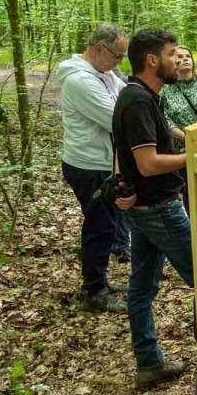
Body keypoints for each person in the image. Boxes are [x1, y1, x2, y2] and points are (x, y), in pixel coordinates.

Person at [112, 28, 196, 391]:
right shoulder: (138, 101)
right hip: (159, 211)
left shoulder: (141, 95)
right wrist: (193, 159)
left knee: (142, 288)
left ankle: (148, 364)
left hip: (143, 209)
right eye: (171, 54)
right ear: (152, 60)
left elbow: (123, 153)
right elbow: (146, 163)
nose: (177, 60)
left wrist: (122, 185)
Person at [57, 24, 130, 313]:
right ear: (99, 48)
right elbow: (118, 118)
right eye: (117, 56)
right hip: (89, 166)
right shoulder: (80, 81)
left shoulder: (105, 73)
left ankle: (99, 281)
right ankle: (94, 290)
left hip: (103, 163)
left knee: (106, 225)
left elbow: (129, 97)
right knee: (99, 227)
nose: (119, 63)